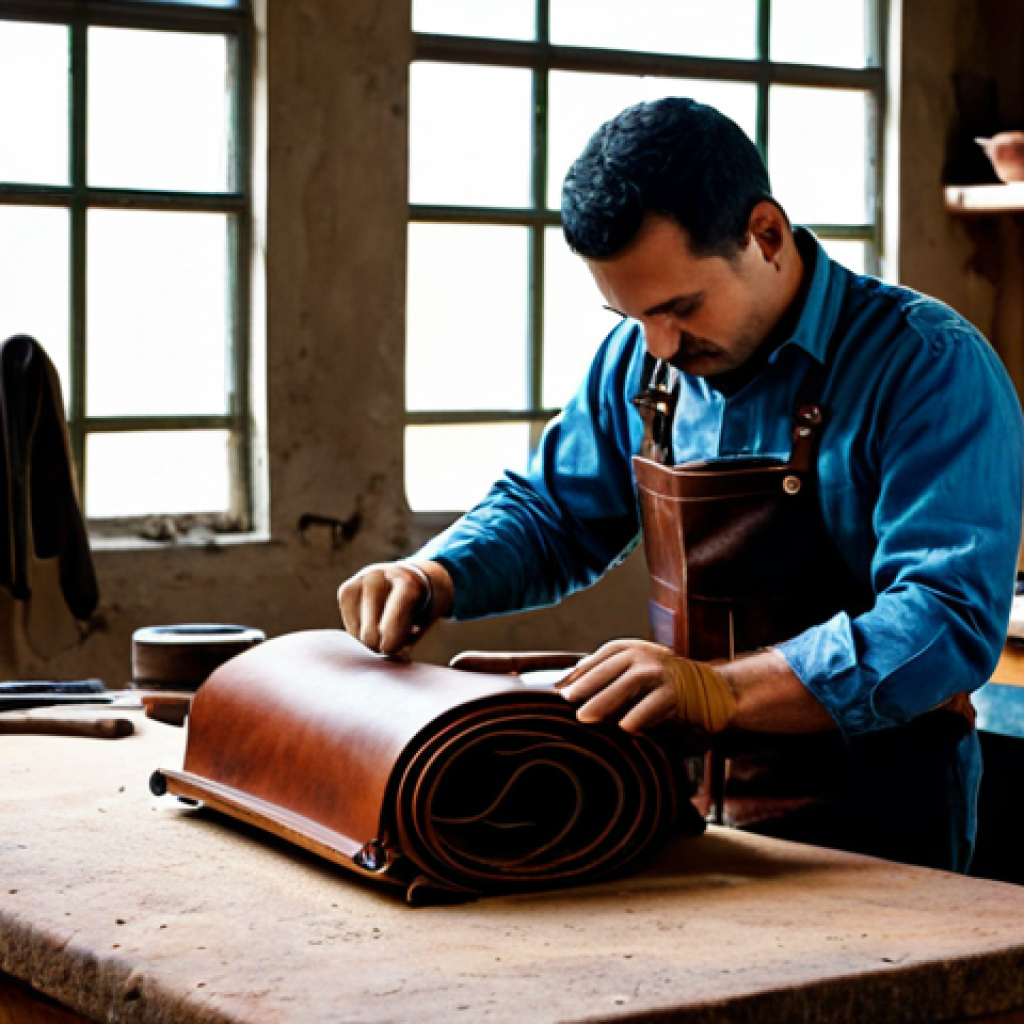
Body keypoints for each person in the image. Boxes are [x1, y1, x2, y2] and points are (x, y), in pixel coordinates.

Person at [339, 98, 1024, 873]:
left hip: (879, 820)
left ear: (765, 235)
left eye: (680, 307)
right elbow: (554, 513)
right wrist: (437, 574)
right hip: (686, 813)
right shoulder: (639, 359)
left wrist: (720, 692)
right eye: (630, 315)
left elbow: (944, 620)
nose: (660, 344)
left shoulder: (927, 366)